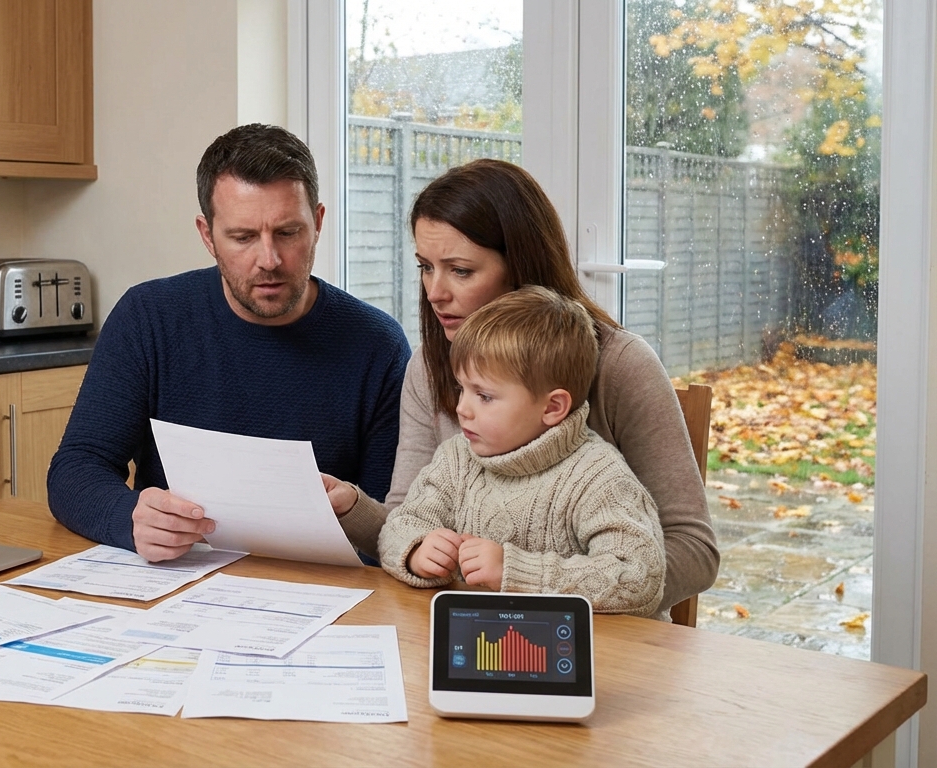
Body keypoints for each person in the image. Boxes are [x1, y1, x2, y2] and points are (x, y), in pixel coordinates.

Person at [327, 158, 717, 612]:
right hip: (469, 637)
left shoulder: (620, 366)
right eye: (425, 267)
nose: (435, 292)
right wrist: (352, 508)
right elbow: (408, 525)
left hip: (597, 645)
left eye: (461, 270)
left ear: (521, 267)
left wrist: (531, 586)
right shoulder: (431, 367)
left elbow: (695, 551)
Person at [47, 123, 411, 562]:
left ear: (317, 223)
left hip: (323, 591)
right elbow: (75, 468)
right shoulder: (149, 317)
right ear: (207, 235)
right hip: (180, 580)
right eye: (242, 237)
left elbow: (396, 526)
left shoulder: (379, 346)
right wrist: (128, 517)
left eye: (288, 232)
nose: (269, 260)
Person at [378, 286, 667, 619]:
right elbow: (399, 525)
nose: (462, 409)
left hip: (576, 656)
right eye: (462, 389)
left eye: (484, 396)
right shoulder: (455, 459)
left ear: (553, 407)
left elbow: (638, 578)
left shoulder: (598, 476)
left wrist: (515, 572)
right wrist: (416, 549)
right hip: (481, 644)